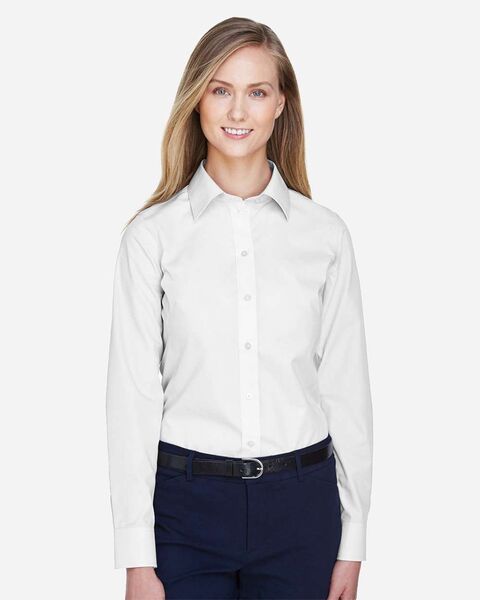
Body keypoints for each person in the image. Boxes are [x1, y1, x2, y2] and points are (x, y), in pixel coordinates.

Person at [106, 16, 373, 600]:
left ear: (281, 104)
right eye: (220, 89)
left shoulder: (325, 236)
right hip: (185, 510)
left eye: (256, 92)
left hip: (301, 510)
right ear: (197, 99)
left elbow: (346, 390)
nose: (237, 110)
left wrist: (352, 542)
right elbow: (133, 398)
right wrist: (136, 557)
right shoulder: (152, 238)